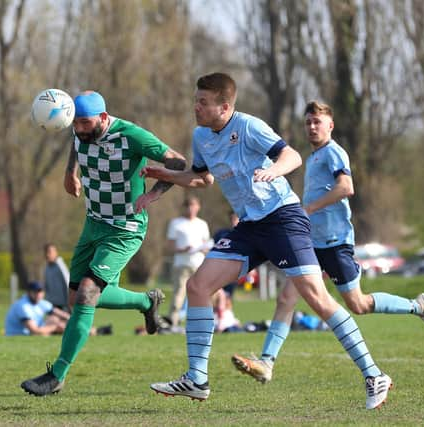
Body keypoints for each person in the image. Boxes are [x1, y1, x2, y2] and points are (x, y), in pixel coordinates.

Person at [145, 72, 391, 409]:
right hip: (250, 227)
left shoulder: (248, 126)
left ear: (225, 107)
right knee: (198, 287)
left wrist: (274, 171)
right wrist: (166, 175)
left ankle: (374, 374)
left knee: (316, 298)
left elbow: (292, 156)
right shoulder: (201, 136)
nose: (196, 107)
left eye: (203, 102)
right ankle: (197, 379)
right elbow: (202, 179)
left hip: (283, 219)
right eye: (196, 100)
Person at [232, 100, 424, 382]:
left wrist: (308, 209)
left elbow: (346, 187)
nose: (311, 127)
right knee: (286, 298)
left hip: (334, 242)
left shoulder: (333, 152)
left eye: (317, 122)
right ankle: (267, 363)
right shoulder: (313, 157)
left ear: (330, 125)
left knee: (358, 304)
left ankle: (419, 307)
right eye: (308, 122)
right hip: (311, 243)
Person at [20, 90, 187, 396]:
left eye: (85, 124)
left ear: (104, 118)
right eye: (76, 125)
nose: (80, 130)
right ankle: (145, 302)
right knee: (76, 299)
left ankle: (57, 375)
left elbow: (178, 162)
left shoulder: (132, 136)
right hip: (93, 223)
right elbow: (76, 143)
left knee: (86, 294)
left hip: (125, 228)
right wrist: (70, 172)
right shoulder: (79, 132)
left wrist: (153, 194)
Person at [166, 196, 211, 327]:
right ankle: (173, 322)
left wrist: (203, 249)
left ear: (198, 207)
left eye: (194, 206)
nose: (191, 209)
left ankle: (200, 322)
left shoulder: (202, 224)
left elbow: (206, 245)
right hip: (182, 264)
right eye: (188, 206)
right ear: (184, 208)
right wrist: (182, 249)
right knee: (179, 294)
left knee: (201, 293)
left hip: (199, 264)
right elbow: (170, 245)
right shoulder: (176, 223)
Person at [5, 281, 70, 336]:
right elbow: (34, 331)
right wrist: (55, 327)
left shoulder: (41, 302)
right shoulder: (22, 306)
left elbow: (61, 314)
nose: (38, 294)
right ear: (28, 292)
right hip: (19, 335)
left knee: (54, 318)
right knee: (55, 322)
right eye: (35, 291)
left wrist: (74, 320)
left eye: (41, 291)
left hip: (33, 332)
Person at [43, 243, 70, 312]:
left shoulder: (60, 266)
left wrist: (69, 302)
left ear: (55, 252)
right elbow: (46, 286)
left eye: (50, 252)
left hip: (63, 305)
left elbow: (67, 283)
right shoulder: (47, 267)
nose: (47, 255)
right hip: (52, 304)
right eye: (46, 252)